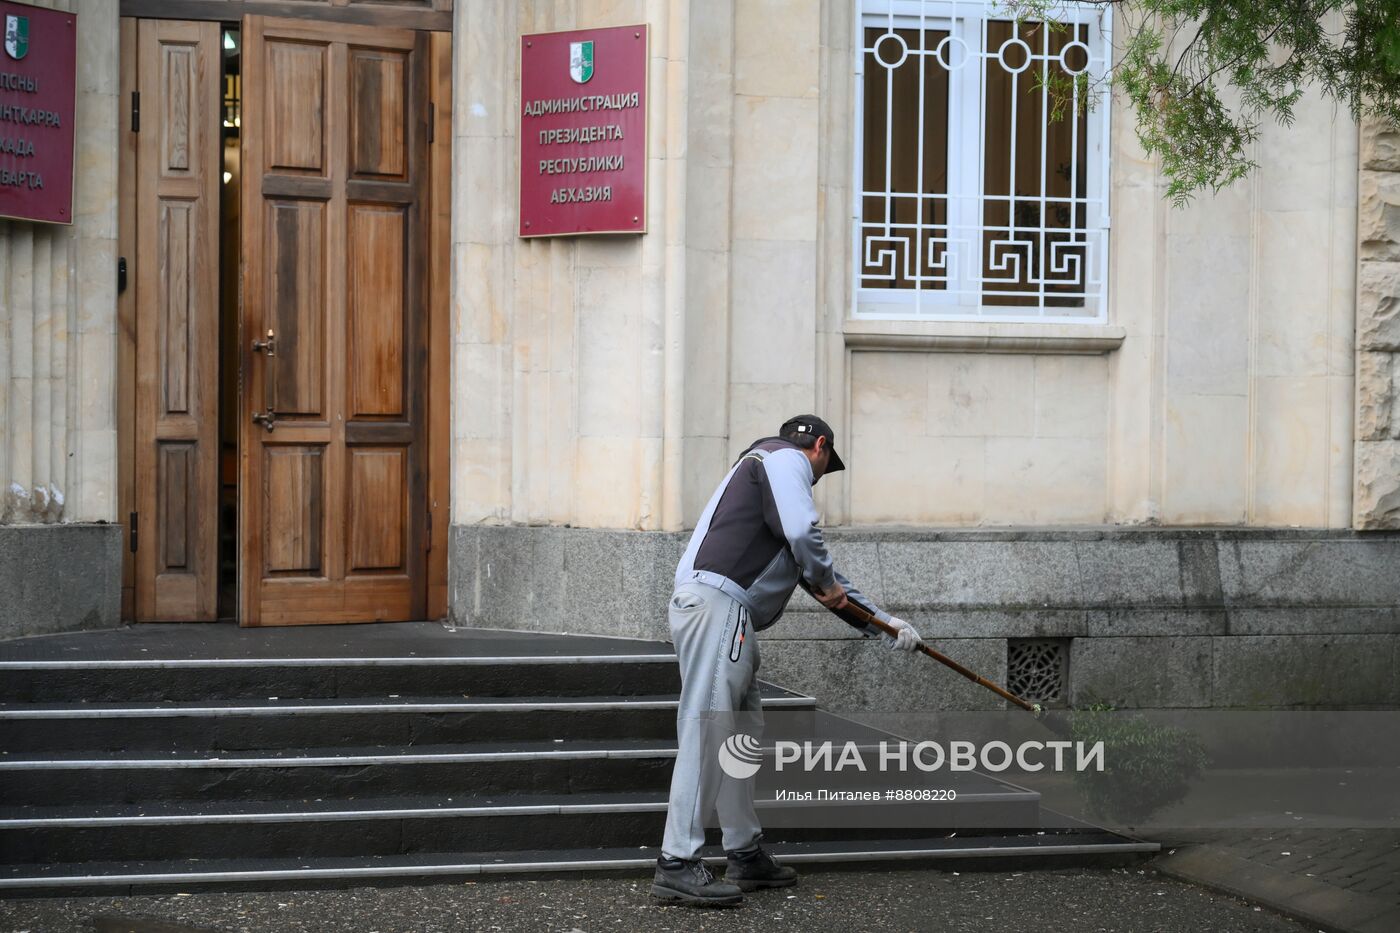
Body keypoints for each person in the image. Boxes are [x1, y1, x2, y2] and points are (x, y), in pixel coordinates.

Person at [651, 414, 922, 908]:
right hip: (718, 606)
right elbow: (808, 541)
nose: (817, 478)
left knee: (739, 737)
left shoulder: (766, 489)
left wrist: (886, 625)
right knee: (709, 727)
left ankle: (744, 852)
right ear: (819, 447)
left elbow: (828, 585)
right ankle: (677, 861)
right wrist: (829, 581)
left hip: (728, 614)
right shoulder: (782, 459)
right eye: (823, 467)